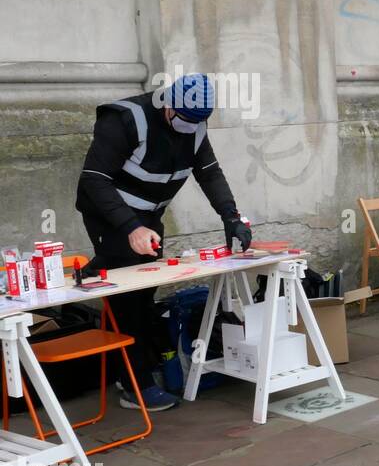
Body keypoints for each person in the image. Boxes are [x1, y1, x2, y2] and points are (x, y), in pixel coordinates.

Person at [76, 74, 252, 411]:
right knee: (129, 294)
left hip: (149, 214)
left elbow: (210, 172)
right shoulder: (125, 120)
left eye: (196, 122)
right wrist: (130, 227)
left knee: (143, 289)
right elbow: (95, 180)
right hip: (109, 213)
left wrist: (231, 217)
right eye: (183, 119)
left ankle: (122, 340)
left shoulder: (195, 123)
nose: (188, 128)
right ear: (167, 104)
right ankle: (134, 384)